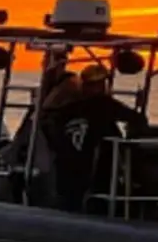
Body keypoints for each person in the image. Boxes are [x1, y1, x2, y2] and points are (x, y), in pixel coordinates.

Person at [49, 64, 148, 211]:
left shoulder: (66, 110)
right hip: (94, 171)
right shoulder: (104, 104)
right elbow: (137, 119)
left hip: (66, 171)